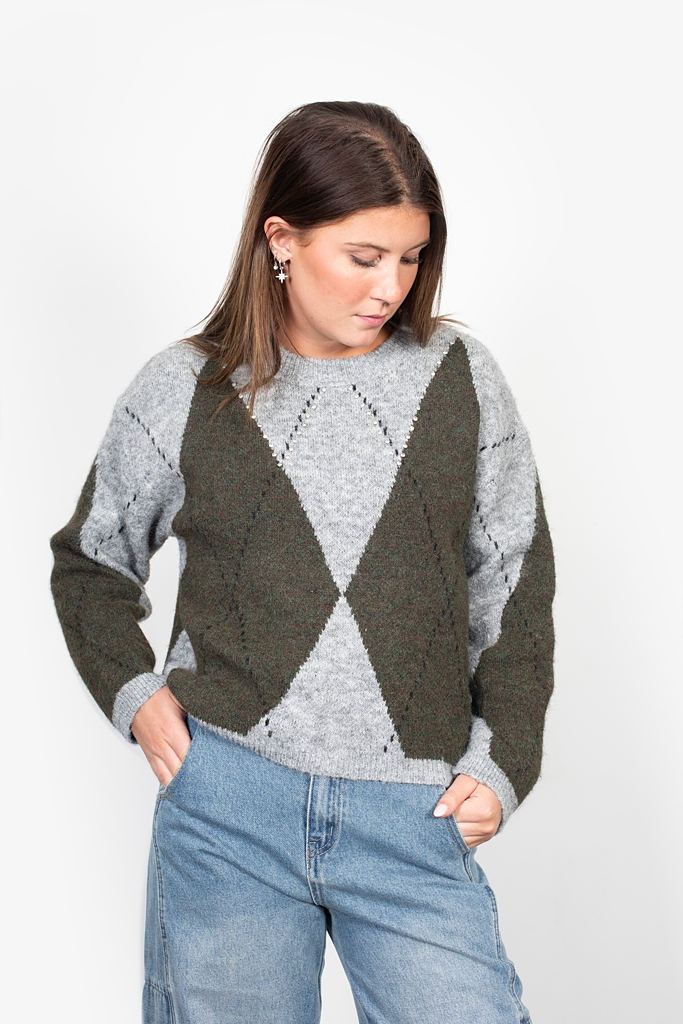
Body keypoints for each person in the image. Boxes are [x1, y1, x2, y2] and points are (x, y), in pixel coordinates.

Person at [50, 101, 555, 1024]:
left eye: (410, 257)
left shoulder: (459, 377)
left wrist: (505, 760)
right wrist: (136, 695)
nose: (390, 286)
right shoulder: (185, 389)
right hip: (228, 809)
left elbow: (514, 585)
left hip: (413, 816)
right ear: (281, 239)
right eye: (363, 257)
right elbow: (90, 562)